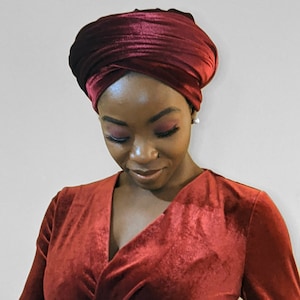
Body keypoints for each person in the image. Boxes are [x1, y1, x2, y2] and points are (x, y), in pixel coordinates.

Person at [20, 8, 300, 300]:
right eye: (119, 136)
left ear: (192, 111)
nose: (142, 154)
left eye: (165, 130)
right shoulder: (66, 209)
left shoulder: (242, 213)